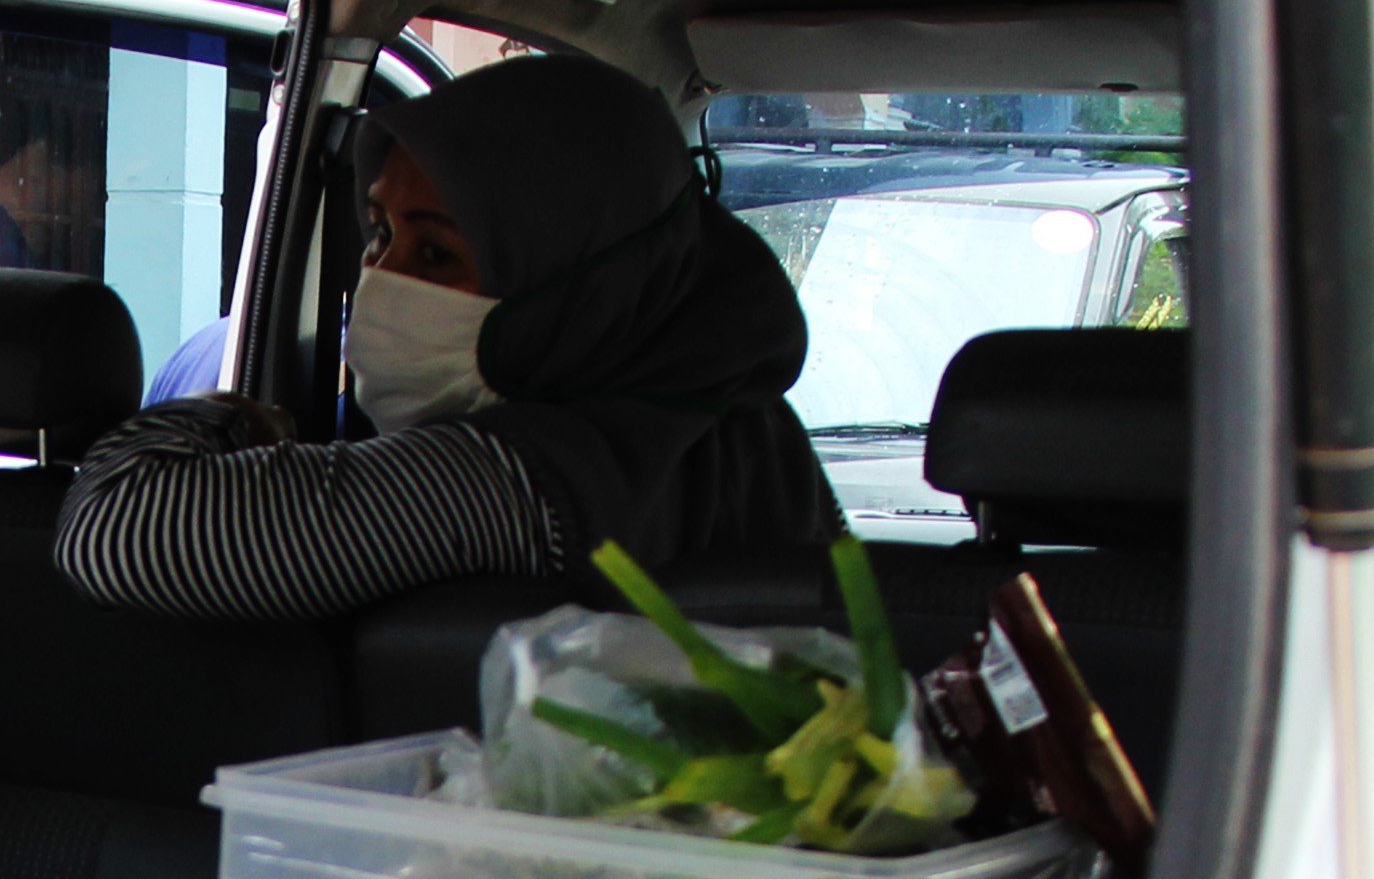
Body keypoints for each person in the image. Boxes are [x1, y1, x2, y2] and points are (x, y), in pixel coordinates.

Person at [50, 51, 840, 620]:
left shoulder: (513, 478)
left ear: (581, 282)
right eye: (378, 235)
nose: (382, 283)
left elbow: (115, 532)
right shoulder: (763, 442)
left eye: (436, 253)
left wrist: (226, 417)